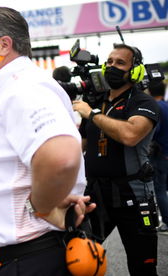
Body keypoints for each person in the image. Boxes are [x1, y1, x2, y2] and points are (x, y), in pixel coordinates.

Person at [0, 7, 95, 276]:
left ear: (4, 45)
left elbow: (61, 155)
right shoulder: (7, 89)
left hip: (27, 260)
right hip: (20, 259)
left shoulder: (23, 87)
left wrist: (41, 207)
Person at [73, 44, 160, 275]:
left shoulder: (143, 102)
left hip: (133, 195)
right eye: (109, 62)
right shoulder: (97, 102)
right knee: (78, 260)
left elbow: (130, 135)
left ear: (135, 71)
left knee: (143, 268)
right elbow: (79, 145)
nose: (112, 67)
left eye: (120, 63)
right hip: (96, 194)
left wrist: (92, 114)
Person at [148, 80, 168, 233]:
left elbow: (155, 130)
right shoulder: (166, 105)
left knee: (159, 190)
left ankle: (166, 221)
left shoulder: (155, 108)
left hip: (160, 154)